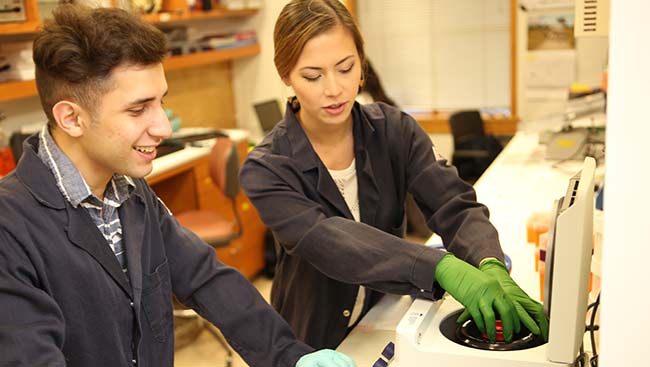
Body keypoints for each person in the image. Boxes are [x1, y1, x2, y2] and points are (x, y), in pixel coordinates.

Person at [0, 5, 355, 367]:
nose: (163, 128)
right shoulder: (9, 228)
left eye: (161, 103)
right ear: (71, 118)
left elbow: (206, 279)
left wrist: (289, 357)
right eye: (138, 110)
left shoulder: (131, 193)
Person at [240, 0, 548, 350]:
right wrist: (440, 267)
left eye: (346, 68)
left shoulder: (395, 130)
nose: (334, 89)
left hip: (384, 317)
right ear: (286, 75)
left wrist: (488, 261)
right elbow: (327, 239)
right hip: (314, 338)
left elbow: (453, 203)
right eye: (313, 76)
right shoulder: (266, 167)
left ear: (361, 62)